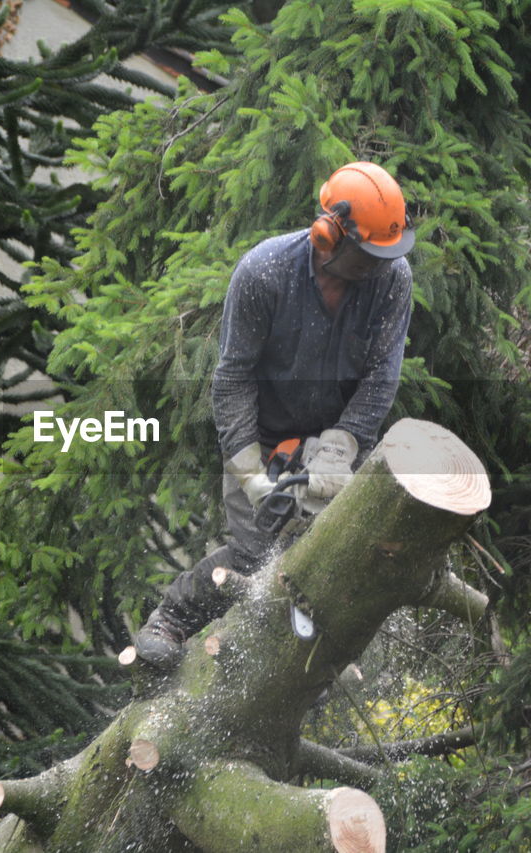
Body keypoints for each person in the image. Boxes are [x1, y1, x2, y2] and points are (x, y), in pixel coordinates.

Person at [134, 161, 416, 668]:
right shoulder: (265, 272)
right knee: (257, 558)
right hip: (262, 435)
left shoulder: (391, 280)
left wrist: (342, 447)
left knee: (340, 560)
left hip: (337, 434)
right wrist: (246, 467)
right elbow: (233, 376)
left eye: (385, 253)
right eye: (369, 252)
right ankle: (171, 619)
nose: (379, 263)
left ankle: (318, 675)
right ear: (329, 235)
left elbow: (381, 376)